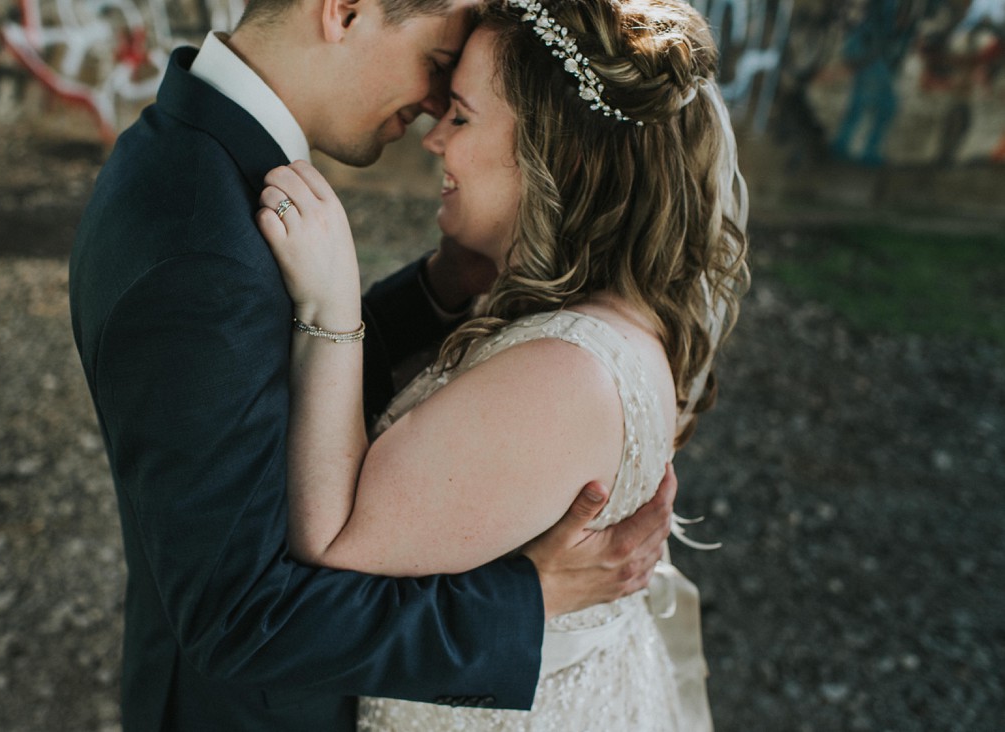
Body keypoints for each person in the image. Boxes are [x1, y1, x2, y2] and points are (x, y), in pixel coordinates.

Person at [67, 0, 680, 729]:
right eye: (436, 64)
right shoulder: (199, 243)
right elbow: (239, 617)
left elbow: (258, 387)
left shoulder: (191, 157)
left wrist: (434, 293)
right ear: (346, 10)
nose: (430, 110)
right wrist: (530, 600)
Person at [257, 0, 750, 729]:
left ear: (560, 154)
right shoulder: (588, 319)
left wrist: (332, 310)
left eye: (460, 115)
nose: (433, 141)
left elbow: (332, 542)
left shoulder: (565, 371)